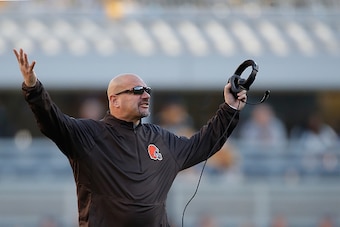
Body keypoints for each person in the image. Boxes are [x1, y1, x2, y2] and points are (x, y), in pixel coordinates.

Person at [14, 48, 247, 227]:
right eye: (136, 91)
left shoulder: (160, 138)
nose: (145, 95)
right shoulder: (89, 135)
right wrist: (33, 88)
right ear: (114, 100)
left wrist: (230, 108)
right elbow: (52, 121)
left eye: (147, 91)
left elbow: (204, 143)